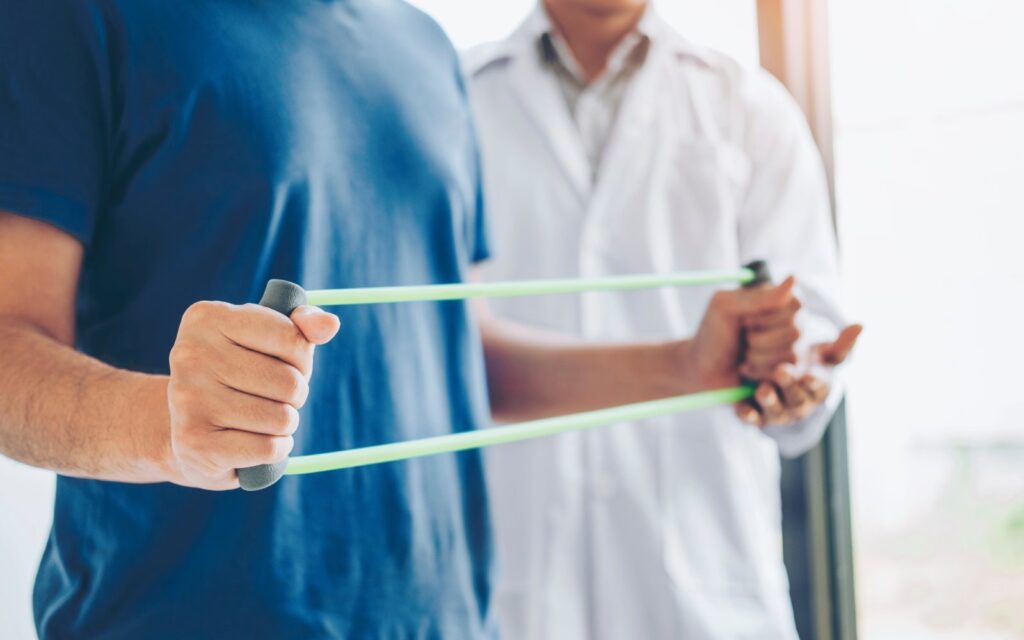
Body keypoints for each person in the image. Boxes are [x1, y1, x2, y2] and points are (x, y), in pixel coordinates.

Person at [0, 1, 805, 637]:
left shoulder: (423, 48)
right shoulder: (71, 14)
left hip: (446, 622)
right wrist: (163, 424)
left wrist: (683, 365)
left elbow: (460, 358)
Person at [464, 1, 862, 638]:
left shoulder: (749, 107)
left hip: (709, 594)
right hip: (515, 598)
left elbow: (808, 328)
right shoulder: (455, 101)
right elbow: (441, 357)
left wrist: (795, 368)